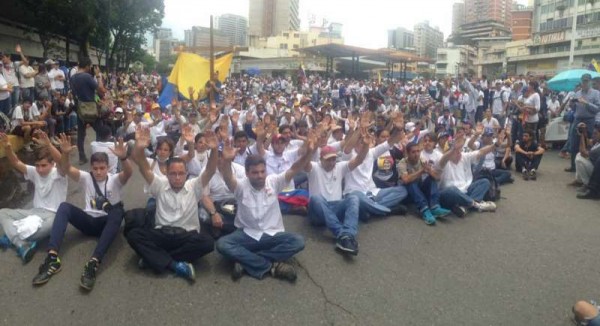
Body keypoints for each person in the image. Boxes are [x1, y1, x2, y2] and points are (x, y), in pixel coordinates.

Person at [32, 134, 132, 291]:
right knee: (64, 207)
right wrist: (62, 152)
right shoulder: (86, 177)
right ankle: (52, 258)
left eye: (102, 168)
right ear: (91, 168)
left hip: (106, 223)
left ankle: (93, 262)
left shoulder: (114, 179)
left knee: (118, 212)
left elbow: (128, 173)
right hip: (88, 222)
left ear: (108, 168)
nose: (98, 172)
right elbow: (65, 168)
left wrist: (124, 158)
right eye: (95, 168)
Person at [215, 135, 316, 282]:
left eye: (262, 171)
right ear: (247, 173)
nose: (260, 176)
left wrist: (308, 153)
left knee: (298, 241)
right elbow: (228, 177)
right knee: (223, 244)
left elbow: (295, 168)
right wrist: (226, 161)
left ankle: (246, 261)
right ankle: (273, 266)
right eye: (255, 173)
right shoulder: (241, 186)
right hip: (247, 235)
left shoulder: (274, 181)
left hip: (272, 234)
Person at [126, 127, 218, 282]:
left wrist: (214, 150)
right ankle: (175, 265)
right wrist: (140, 147)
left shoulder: (194, 186)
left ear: (186, 174)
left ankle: (154, 259)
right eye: (173, 174)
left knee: (208, 243)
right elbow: (143, 166)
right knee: (134, 235)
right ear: (167, 174)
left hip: (186, 235)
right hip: (162, 234)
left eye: (181, 173)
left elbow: (210, 170)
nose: (177, 177)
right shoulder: (159, 184)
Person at [0, 131, 67, 263]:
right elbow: (16, 162)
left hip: (53, 216)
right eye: (37, 166)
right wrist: (7, 147)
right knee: (2, 213)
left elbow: (61, 161)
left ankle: (12, 236)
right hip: (34, 212)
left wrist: (48, 144)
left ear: (52, 164)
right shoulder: (34, 171)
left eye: (44, 165)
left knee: (51, 227)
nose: (40, 169)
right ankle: (21, 243)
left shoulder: (59, 174)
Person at [306, 131, 369, 256]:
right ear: (320, 159)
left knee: (354, 198)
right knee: (316, 198)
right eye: (328, 160)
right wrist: (310, 150)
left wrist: (366, 146)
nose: (331, 162)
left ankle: (348, 235)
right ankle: (342, 235)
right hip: (317, 212)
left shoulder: (340, 167)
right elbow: (304, 163)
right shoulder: (314, 167)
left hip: (335, 207)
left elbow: (358, 160)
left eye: (334, 159)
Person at [438, 132, 498, 217]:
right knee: (451, 190)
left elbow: (481, 152)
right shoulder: (444, 160)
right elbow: (443, 159)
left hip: (465, 191)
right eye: (456, 152)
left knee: (485, 182)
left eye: (459, 151)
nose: (459, 154)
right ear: (449, 153)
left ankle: (464, 206)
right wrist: (453, 149)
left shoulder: (464, 156)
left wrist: (496, 144)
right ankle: (477, 205)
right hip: (449, 195)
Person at [398, 142, 451, 225]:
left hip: (418, 190)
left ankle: (434, 207)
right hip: (407, 194)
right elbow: (405, 180)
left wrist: (430, 171)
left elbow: (437, 178)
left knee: (431, 178)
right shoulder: (402, 163)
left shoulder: (422, 160)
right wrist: (421, 171)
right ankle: (424, 210)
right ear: (408, 153)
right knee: (411, 182)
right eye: (413, 152)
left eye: (418, 151)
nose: (416, 154)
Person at [70, 57, 107, 165]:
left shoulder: (72, 78)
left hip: (80, 109)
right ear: (86, 66)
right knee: (101, 130)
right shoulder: (87, 77)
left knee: (81, 135)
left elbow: (73, 94)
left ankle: (82, 157)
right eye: (90, 66)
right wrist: (98, 76)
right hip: (92, 109)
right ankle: (101, 153)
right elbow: (101, 90)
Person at [567, 74, 600, 172]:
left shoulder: (596, 93)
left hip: (589, 120)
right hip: (577, 119)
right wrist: (571, 104)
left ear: (590, 82)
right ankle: (573, 166)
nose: (584, 83)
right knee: (574, 143)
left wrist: (586, 103)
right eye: (583, 81)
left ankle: (588, 167)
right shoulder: (577, 93)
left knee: (588, 143)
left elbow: (597, 109)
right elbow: (574, 108)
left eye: (586, 81)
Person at [572, 122, 600, 187]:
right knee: (578, 156)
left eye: (596, 133)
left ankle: (588, 184)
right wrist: (584, 132)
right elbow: (588, 142)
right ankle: (579, 181)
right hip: (596, 169)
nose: (594, 135)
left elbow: (583, 152)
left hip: (597, 174)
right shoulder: (598, 141)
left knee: (579, 159)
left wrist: (581, 135)